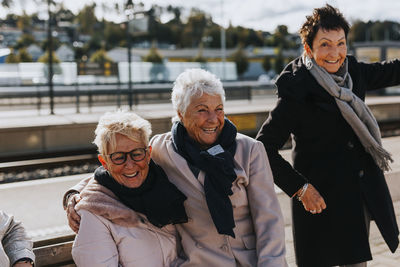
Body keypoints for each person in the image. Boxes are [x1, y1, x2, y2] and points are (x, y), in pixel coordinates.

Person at [65, 68, 287, 266]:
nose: (213, 119)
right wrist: (73, 194)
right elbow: (117, 170)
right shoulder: (162, 149)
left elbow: (269, 220)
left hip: (249, 261)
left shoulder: (249, 150)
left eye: (218, 109)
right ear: (181, 114)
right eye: (202, 110)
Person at [256, 4, 399, 267]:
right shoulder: (297, 88)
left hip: (355, 197)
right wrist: (300, 189)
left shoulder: (353, 73)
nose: (335, 53)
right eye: (325, 44)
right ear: (308, 48)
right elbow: (262, 148)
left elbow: (392, 70)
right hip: (318, 200)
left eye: (340, 43)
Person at [69, 111, 188, 266]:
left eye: (137, 154)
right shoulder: (94, 211)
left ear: (148, 154)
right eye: (119, 157)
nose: (130, 165)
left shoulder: (166, 183)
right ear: (104, 162)